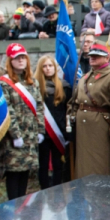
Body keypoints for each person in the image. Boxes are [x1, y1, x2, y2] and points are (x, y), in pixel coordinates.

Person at [68, 44, 110, 179]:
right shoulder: (84, 78)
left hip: (102, 128)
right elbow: (74, 101)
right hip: (83, 130)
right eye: (91, 56)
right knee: (84, 165)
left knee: (101, 164)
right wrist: (72, 118)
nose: (92, 58)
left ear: (107, 58)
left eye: (97, 56)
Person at [0, 43, 45, 200]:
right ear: (10, 61)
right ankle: (13, 208)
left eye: (23, 57)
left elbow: (39, 107)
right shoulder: (4, 83)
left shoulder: (32, 82)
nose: (20, 61)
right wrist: (15, 134)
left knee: (25, 171)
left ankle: (22, 207)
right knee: (14, 172)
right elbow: (7, 110)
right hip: (14, 137)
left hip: (30, 134)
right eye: (16, 58)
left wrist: (40, 130)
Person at [34, 55, 71, 189]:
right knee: (42, 164)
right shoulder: (34, 86)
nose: (48, 69)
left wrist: (67, 133)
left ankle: (57, 192)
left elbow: (68, 110)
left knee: (58, 164)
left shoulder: (65, 86)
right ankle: (44, 190)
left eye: (50, 66)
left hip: (59, 132)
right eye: (45, 66)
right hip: (42, 133)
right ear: (40, 68)